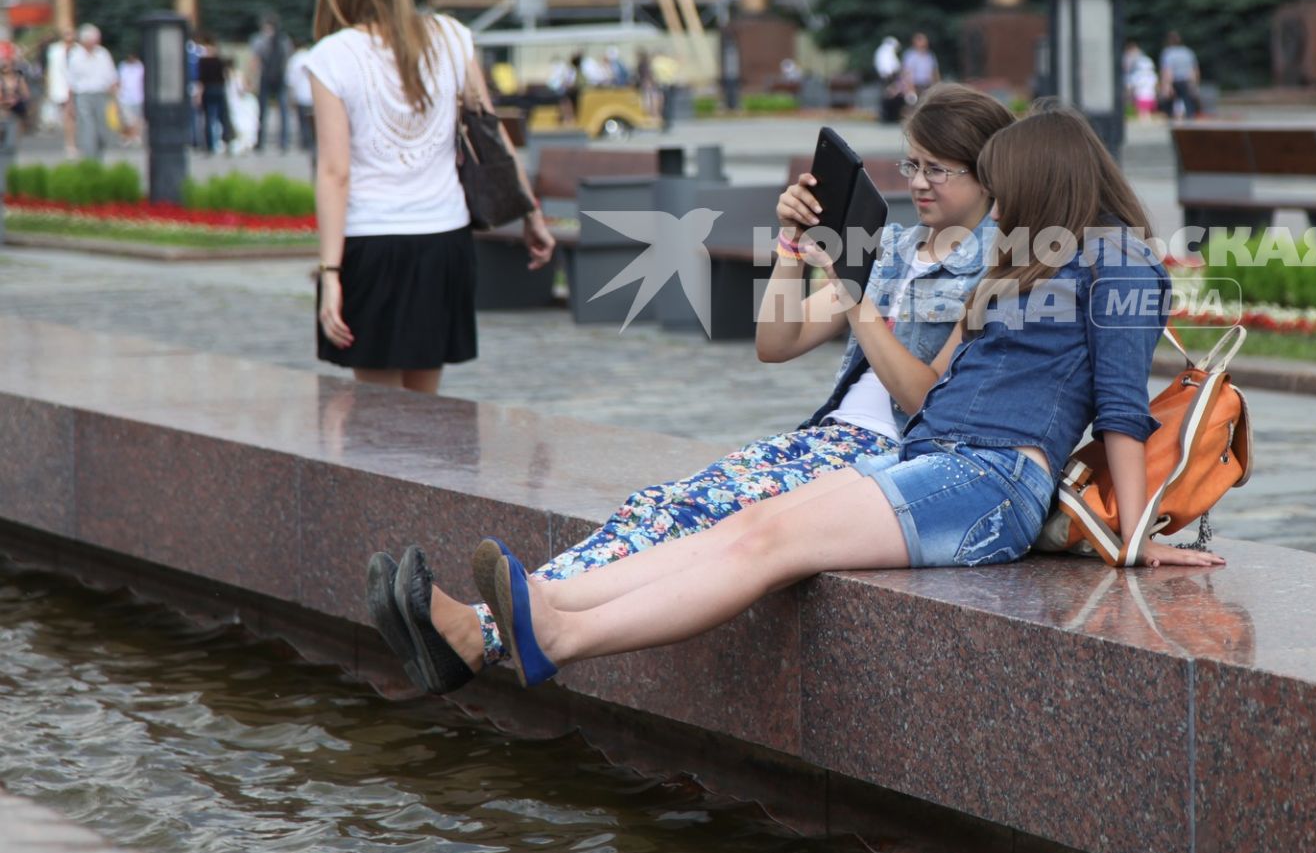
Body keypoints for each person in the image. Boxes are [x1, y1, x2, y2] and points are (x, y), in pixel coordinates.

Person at [376, 102, 1223, 694]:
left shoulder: (1121, 263)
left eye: (1003, 183)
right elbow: (810, 349)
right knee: (748, 526)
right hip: (939, 460)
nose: (1004, 203)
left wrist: (1137, 543)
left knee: (768, 542)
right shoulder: (1031, 260)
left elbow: (1120, 408)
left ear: (1051, 180)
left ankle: (551, 634)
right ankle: (543, 609)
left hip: (992, 480)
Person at [309, 0, 555, 395]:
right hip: (442, 241)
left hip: (371, 244)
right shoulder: (449, 36)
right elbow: (492, 138)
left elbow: (335, 172)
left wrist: (330, 273)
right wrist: (530, 212)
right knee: (427, 412)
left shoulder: (332, 56)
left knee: (376, 412)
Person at [66, 25, 118, 160]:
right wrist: (70, 103)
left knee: (102, 130)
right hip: (83, 95)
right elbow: (71, 82)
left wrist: (116, 98)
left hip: (101, 94)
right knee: (87, 128)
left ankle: (99, 155)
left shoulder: (103, 54)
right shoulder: (75, 56)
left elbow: (112, 77)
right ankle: (90, 161)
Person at [249, 14, 295, 154]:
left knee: (263, 111)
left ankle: (261, 141)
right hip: (280, 77)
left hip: (267, 77)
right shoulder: (284, 40)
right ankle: (284, 141)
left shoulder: (259, 40)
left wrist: (252, 79)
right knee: (282, 111)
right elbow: (288, 59)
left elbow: (255, 61)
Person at [43, 27, 77, 157]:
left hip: (76, 88)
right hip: (61, 87)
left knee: (72, 117)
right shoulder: (55, 50)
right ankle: (70, 144)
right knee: (68, 117)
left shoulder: (78, 50)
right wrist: (49, 86)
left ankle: (73, 142)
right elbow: (50, 70)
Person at [196, 35, 233, 154]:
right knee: (222, 117)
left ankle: (210, 145)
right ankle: (227, 141)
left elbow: (201, 80)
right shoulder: (219, 60)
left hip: (208, 90)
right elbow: (226, 75)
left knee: (208, 118)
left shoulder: (202, 61)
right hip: (219, 89)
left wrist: (199, 95)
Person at [1159, 31, 1202, 119]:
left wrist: (1166, 85)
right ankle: (1190, 124)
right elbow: (1194, 70)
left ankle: (1172, 125)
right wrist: (1195, 83)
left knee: (1169, 106)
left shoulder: (1168, 53)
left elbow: (1167, 71)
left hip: (1174, 81)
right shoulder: (1188, 52)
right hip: (1187, 81)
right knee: (1189, 105)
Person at [285, 37, 316, 155]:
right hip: (313, 95)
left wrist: (291, 95)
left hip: (301, 94)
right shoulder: (312, 56)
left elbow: (291, 80)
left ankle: (305, 142)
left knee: (302, 121)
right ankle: (312, 142)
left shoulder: (294, 60)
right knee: (312, 121)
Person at [0, 48, 30, 151]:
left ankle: (15, 142)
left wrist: (17, 98)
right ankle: (5, 139)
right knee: (5, 115)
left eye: (7, 65)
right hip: (4, 105)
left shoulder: (18, 78)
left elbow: (26, 93)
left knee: (18, 117)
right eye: (3, 66)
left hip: (17, 104)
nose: (5, 68)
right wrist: (5, 101)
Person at [1125, 38, 1159, 123]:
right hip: (1146, 94)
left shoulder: (1139, 73)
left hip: (1142, 94)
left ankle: (1144, 120)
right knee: (1144, 111)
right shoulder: (1150, 75)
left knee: (1142, 111)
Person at [873, 34, 905, 123]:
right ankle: (890, 116)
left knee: (887, 96)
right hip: (889, 79)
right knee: (889, 96)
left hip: (886, 78)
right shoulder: (887, 51)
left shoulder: (880, 51)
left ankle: (888, 116)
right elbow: (892, 68)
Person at [116, 50, 145, 148]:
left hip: (138, 96)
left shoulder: (140, 67)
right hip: (125, 97)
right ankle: (128, 136)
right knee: (127, 119)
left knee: (137, 119)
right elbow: (119, 80)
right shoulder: (122, 66)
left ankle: (136, 136)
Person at [901, 32, 939, 97]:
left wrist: (937, 86)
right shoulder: (910, 55)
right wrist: (910, 88)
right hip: (915, 86)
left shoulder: (930, 55)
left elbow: (934, 71)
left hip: (928, 85)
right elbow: (907, 72)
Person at [546, 53, 579, 124]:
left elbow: (569, 81)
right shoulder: (567, 69)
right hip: (560, 89)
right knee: (564, 99)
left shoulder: (571, 70)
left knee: (565, 99)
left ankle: (568, 116)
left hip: (564, 90)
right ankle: (566, 116)